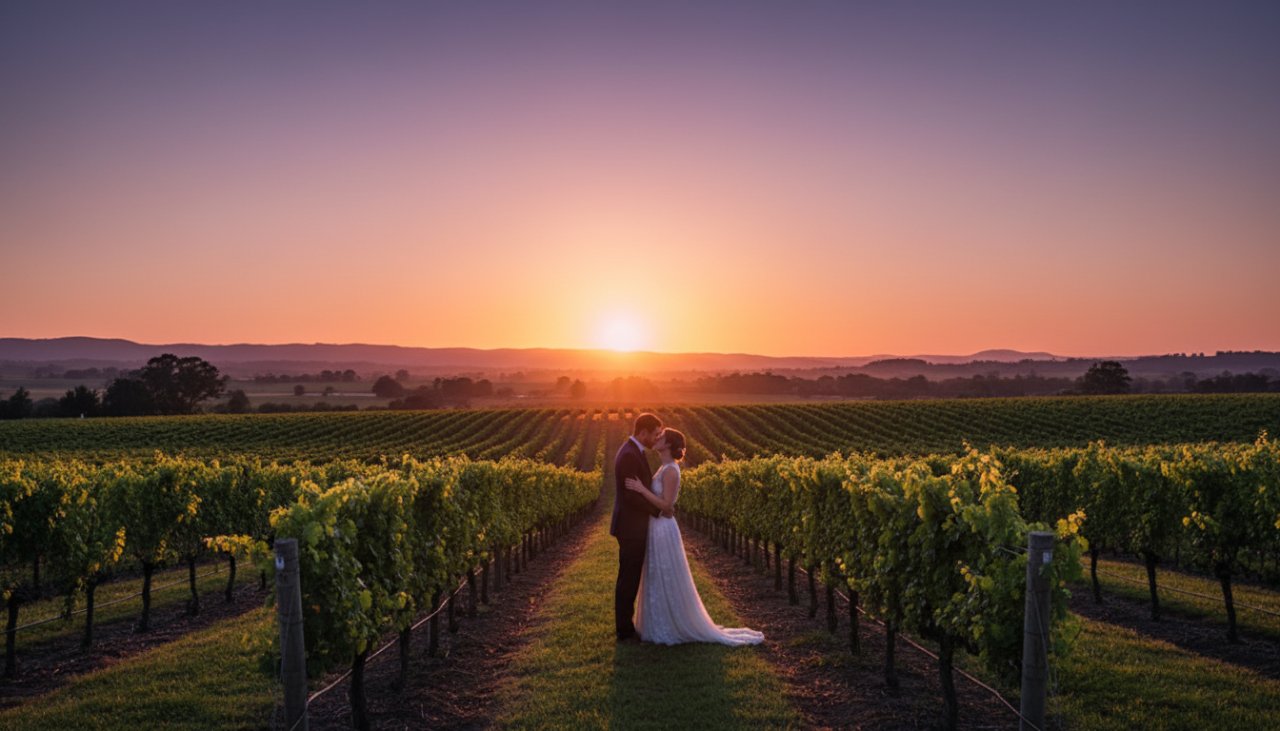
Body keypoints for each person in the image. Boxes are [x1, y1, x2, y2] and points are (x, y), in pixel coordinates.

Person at [624, 428, 764, 646]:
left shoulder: (671, 470)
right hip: (657, 525)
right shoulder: (663, 467)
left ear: (669, 444)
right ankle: (657, 624)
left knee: (665, 572)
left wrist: (642, 489)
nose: (656, 438)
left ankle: (669, 625)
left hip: (663, 527)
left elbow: (667, 506)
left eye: (661, 437)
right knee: (656, 573)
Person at [611, 412, 667, 642]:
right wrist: (658, 510)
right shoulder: (629, 455)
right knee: (628, 579)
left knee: (629, 577)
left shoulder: (633, 452)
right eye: (653, 434)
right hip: (631, 528)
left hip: (633, 526)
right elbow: (632, 496)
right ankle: (624, 631)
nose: (655, 439)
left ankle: (626, 627)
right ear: (642, 432)